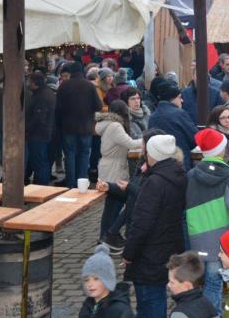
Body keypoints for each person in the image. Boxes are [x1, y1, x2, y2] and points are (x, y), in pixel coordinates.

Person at [185, 128, 229, 314]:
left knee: (200, 284)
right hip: (219, 243)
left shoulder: (191, 176)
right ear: (221, 150)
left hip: (196, 241)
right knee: (214, 285)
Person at [119, 134, 187, 318]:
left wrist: (129, 254)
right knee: (157, 298)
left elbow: (141, 224)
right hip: (170, 246)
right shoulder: (178, 174)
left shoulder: (154, 182)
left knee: (150, 303)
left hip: (150, 254)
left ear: (153, 154)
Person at [96, 100, 143, 242]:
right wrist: (148, 139)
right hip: (113, 170)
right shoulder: (115, 126)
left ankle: (106, 236)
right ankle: (108, 235)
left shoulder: (108, 124)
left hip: (109, 167)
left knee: (112, 206)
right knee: (117, 204)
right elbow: (130, 143)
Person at [56, 61, 104, 188]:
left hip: (68, 127)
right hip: (85, 126)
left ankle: (71, 184)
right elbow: (98, 106)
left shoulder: (64, 86)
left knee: (69, 155)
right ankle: (82, 182)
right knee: (84, 154)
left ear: (70, 72)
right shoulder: (89, 86)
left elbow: (58, 108)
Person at [148, 80, 199, 171]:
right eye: (179, 97)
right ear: (172, 99)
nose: (182, 100)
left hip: (158, 167)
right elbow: (195, 138)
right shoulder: (180, 114)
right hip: (180, 164)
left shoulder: (152, 117)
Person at [79, 244, 134, 318]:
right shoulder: (88, 304)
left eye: (96, 279)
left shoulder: (120, 310)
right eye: (86, 280)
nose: (90, 284)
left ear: (108, 280)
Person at [25, 71, 56, 185]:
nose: (28, 83)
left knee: (40, 162)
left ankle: (41, 186)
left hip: (39, 134)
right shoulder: (44, 93)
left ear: (35, 83)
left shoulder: (42, 96)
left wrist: (27, 129)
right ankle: (41, 183)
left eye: (30, 81)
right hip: (44, 132)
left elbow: (38, 118)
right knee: (41, 161)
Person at [167, 251, 218, 318]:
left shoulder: (179, 314)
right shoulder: (207, 303)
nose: (168, 285)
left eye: (172, 282)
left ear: (187, 286)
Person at [182, 60, 224, 125]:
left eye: (203, 75)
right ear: (193, 76)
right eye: (197, 75)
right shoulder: (184, 94)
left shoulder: (216, 94)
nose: (200, 77)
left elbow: (220, 114)